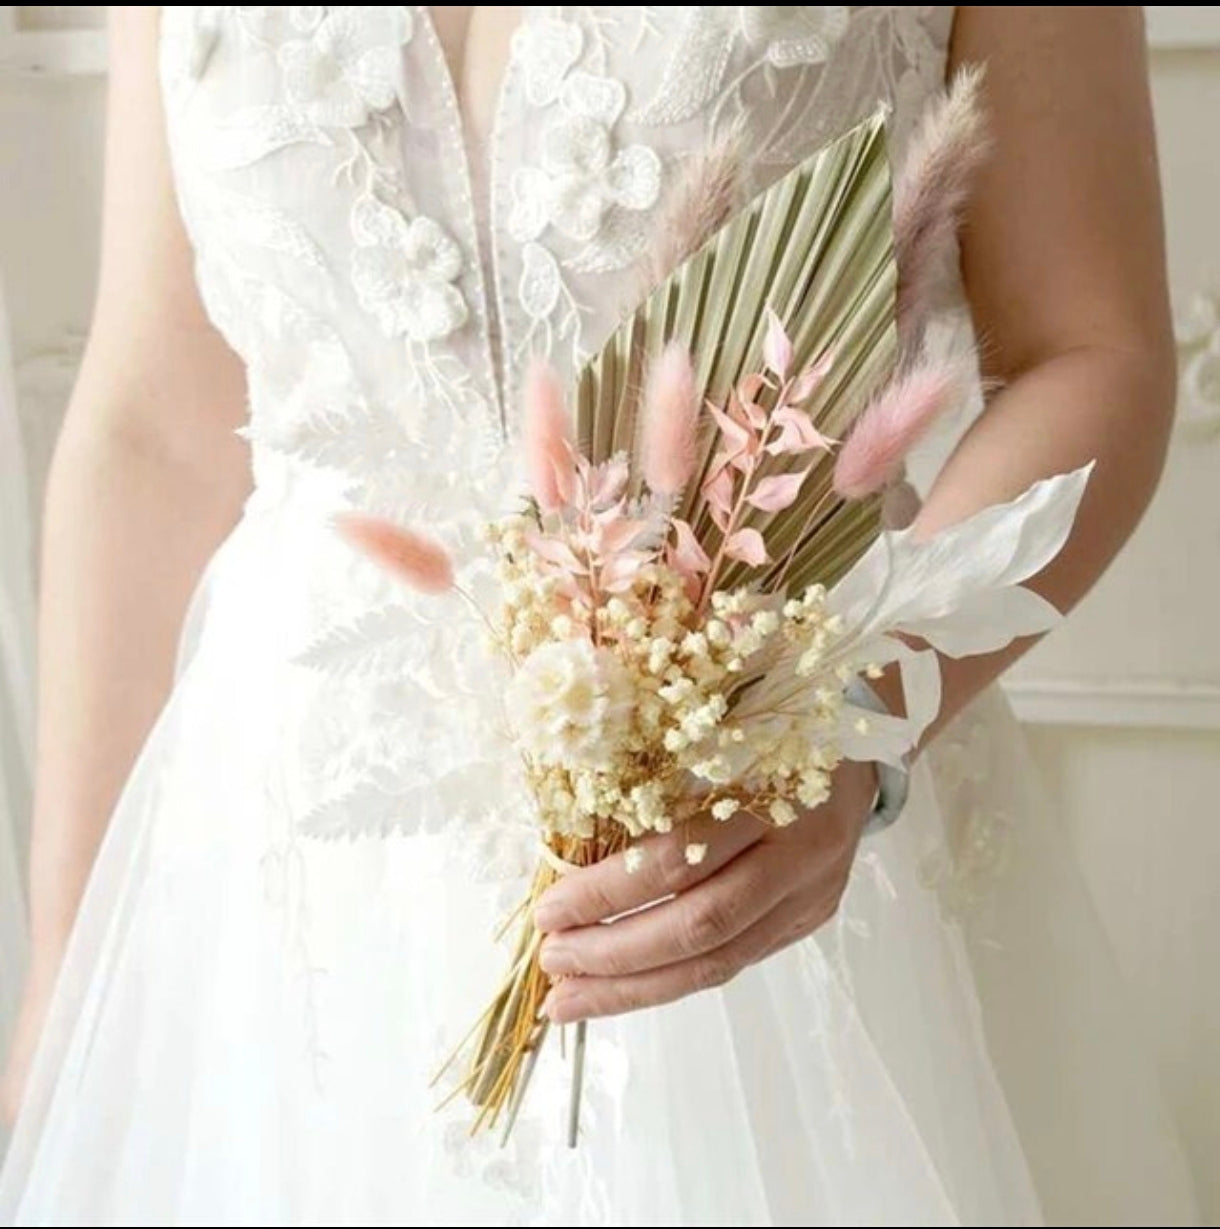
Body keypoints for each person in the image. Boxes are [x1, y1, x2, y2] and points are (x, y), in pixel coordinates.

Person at [0, 7, 1201, 1224]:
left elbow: (1084, 346)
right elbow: (157, 422)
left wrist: (843, 726)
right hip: (268, 906)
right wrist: (63, 983)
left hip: (738, 836)